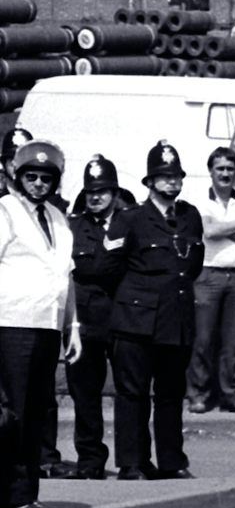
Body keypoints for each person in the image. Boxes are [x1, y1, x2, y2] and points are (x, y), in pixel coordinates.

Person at [104, 141, 204, 481]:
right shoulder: (130, 219)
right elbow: (110, 269)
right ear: (149, 183)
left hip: (175, 319)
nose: (171, 183)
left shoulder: (190, 216)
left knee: (170, 394)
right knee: (132, 392)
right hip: (136, 319)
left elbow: (192, 266)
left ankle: (172, 461)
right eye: (163, 177)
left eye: (176, 176)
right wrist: (132, 301)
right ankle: (132, 462)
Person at [0, 140, 80, 508]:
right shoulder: (6, 211)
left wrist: (73, 326)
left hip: (47, 325)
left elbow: (66, 276)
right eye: (31, 176)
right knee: (12, 412)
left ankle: (25, 492)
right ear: (18, 177)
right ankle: (12, 494)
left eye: (46, 178)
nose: (38, 184)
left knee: (36, 412)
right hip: (11, 324)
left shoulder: (59, 219)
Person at [65, 156, 131, 480]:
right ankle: (90, 460)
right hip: (86, 321)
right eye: (91, 191)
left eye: (103, 191)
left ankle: (131, 461)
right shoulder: (73, 226)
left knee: (128, 392)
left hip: (122, 318)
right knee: (84, 393)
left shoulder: (128, 223)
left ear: (115, 192)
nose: (96, 197)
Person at [188, 146, 235, 414]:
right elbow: (207, 231)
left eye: (230, 169)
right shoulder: (200, 199)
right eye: (220, 168)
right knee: (204, 339)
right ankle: (198, 394)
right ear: (211, 171)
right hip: (207, 275)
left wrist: (224, 229)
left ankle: (232, 395)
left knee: (234, 342)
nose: (225, 174)